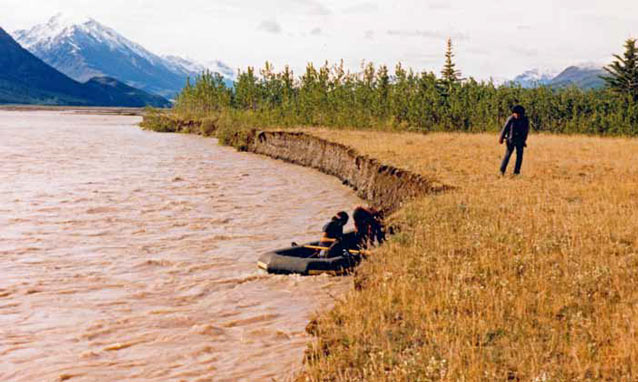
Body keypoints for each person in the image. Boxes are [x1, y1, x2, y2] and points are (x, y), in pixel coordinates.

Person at [499, 105, 530, 176]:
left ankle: (516, 172)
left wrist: (524, 140)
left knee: (519, 156)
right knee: (507, 155)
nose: (517, 115)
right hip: (511, 140)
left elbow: (526, 131)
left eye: (518, 114)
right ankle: (502, 171)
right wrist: (501, 138)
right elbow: (505, 129)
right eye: (516, 114)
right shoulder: (510, 119)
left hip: (520, 140)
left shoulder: (525, 120)